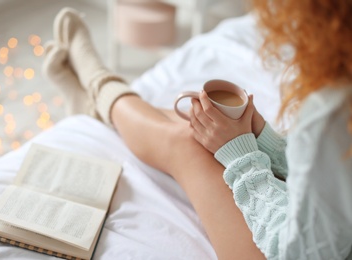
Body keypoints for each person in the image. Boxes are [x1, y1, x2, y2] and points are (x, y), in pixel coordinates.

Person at [42, 1, 352, 258]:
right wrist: (263, 141)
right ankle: (97, 105)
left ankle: (98, 86)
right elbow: (331, 181)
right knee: (200, 125)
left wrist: (241, 155)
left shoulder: (332, 111)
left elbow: (293, 251)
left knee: (190, 143)